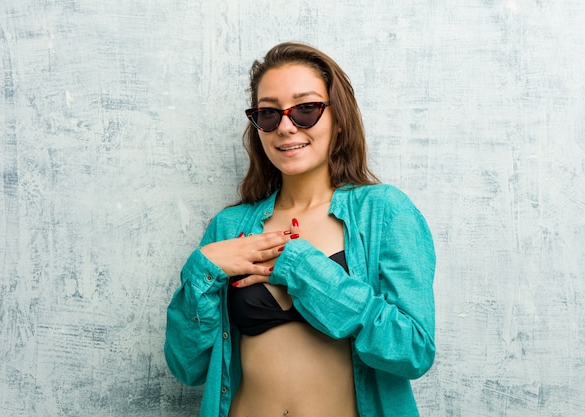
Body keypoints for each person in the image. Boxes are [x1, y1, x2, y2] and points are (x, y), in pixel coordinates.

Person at [164, 42, 436, 417]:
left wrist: (304, 271)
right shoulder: (228, 228)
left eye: (306, 109)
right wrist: (202, 270)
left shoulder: (384, 212)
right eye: (269, 114)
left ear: (338, 118)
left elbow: (412, 351)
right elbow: (188, 368)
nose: (286, 126)